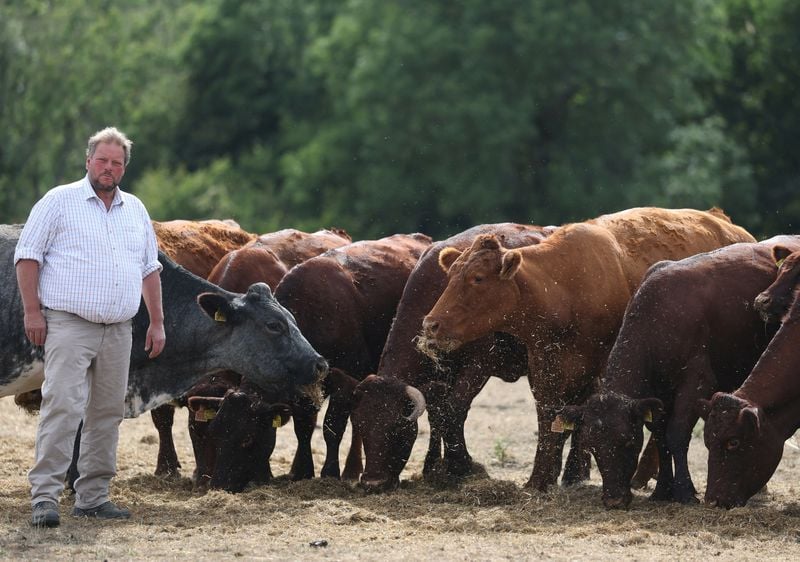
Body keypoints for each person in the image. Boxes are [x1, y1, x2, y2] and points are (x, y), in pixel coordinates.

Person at [15, 126, 166, 528]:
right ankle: (45, 497)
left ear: (124, 168)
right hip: (68, 324)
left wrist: (157, 322)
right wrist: (32, 312)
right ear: (88, 161)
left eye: (117, 163)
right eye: (102, 160)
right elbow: (27, 256)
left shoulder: (135, 209)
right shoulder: (59, 201)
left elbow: (150, 269)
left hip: (119, 328)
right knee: (62, 405)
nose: (109, 168)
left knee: (107, 412)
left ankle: (93, 497)